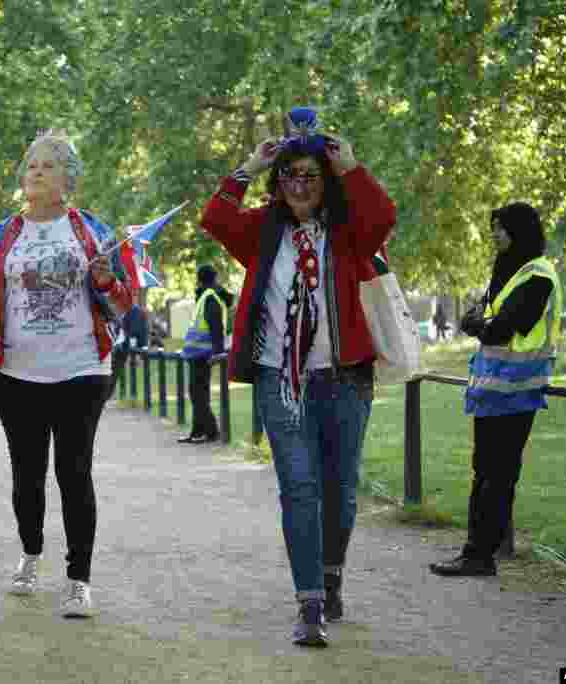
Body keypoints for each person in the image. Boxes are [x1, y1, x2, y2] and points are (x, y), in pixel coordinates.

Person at [200, 107, 396, 645]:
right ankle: (309, 602)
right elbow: (215, 218)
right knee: (300, 487)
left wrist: (351, 166)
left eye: (310, 175)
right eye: (289, 175)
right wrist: (247, 166)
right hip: (279, 379)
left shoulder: (350, 231)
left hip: (345, 378)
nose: (299, 185)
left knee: (341, 489)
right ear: (278, 181)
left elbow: (383, 216)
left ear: (325, 181)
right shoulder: (263, 229)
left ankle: (331, 577)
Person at [0, 130, 133, 618]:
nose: (36, 172)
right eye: (31, 166)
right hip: (17, 371)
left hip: (82, 367)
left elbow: (124, 305)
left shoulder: (95, 233)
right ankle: (30, 552)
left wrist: (107, 280)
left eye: (48, 165)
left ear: (69, 179)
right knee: (27, 473)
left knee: (74, 470)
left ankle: (79, 579)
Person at [429, 203, 562, 578]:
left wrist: (480, 325)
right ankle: (476, 551)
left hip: (518, 390)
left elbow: (502, 327)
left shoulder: (538, 275)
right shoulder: (506, 272)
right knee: (484, 471)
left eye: (501, 228)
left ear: (520, 230)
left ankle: (480, 555)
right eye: (494, 228)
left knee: (498, 474)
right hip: (493, 390)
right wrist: (481, 324)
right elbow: (478, 318)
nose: (495, 235)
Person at [179, 265, 232, 443]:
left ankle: (210, 431)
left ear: (200, 278)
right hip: (199, 353)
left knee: (198, 394)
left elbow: (216, 326)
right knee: (198, 393)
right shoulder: (208, 296)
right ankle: (199, 432)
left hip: (203, 354)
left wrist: (217, 352)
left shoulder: (209, 297)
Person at [108, 303, 149, 402]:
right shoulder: (126, 311)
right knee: (115, 371)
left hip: (129, 347)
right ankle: (113, 394)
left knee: (117, 370)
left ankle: (121, 395)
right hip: (123, 346)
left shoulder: (134, 311)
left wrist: (134, 352)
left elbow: (134, 332)